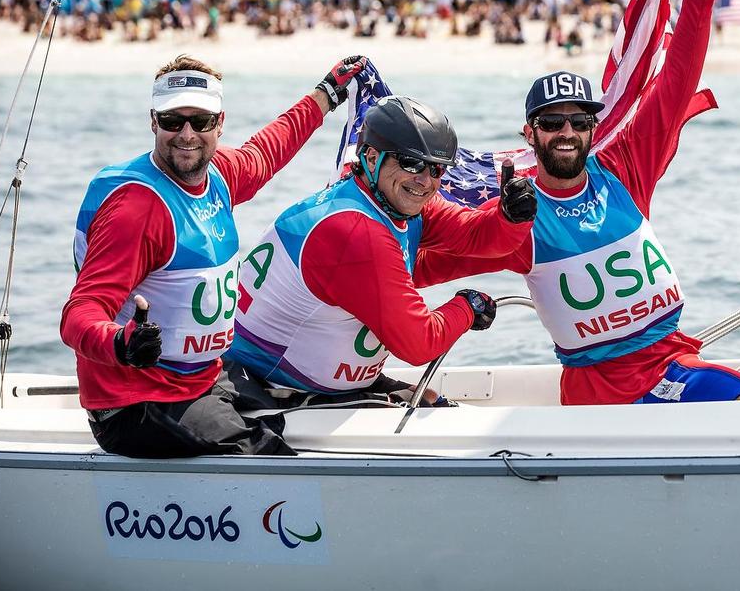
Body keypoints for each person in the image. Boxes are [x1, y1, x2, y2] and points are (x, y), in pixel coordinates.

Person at [415, 0, 740, 406]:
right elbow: (421, 266)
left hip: (674, 365)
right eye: (552, 123)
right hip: (604, 395)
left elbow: (678, 77)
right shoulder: (516, 215)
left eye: (578, 122)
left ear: (592, 130)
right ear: (529, 134)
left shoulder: (625, 167)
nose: (566, 133)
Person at [61, 53, 368, 458]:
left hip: (203, 379)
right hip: (139, 403)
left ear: (219, 124)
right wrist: (121, 343)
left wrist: (325, 96)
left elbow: (267, 151)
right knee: (274, 457)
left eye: (201, 122)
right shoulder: (136, 212)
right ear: (153, 122)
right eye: (172, 121)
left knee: (293, 407)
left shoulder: (217, 174)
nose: (186, 135)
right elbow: (79, 312)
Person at [225, 95, 537, 407]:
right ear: (372, 157)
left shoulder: (393, 202)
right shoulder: (355, 231)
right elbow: (418, 345)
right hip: (270, 387)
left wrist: (510, 217)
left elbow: (476, 237)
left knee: (440, 409)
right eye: (411, 163)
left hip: (324, 385)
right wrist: (466, 307)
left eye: (437, 169)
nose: (426, 181)